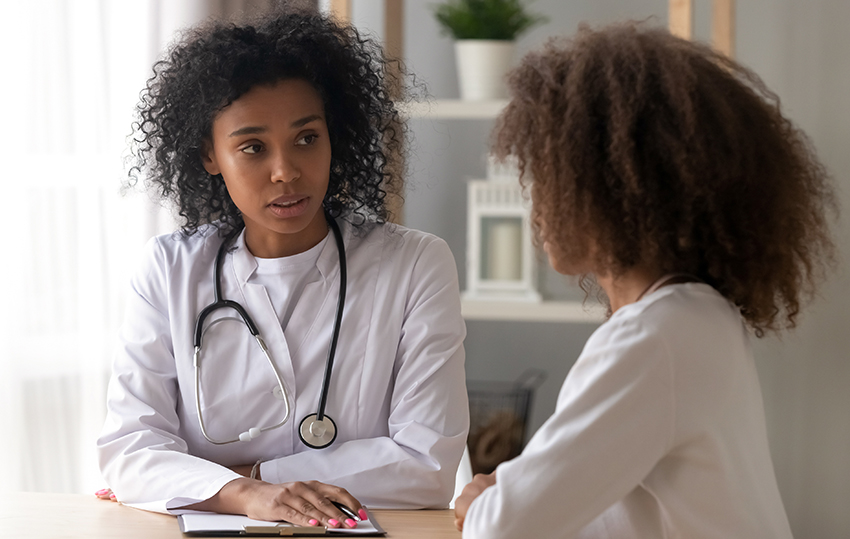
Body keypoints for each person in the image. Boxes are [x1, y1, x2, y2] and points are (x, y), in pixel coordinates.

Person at [454, 23, 835, 538]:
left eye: (553, 179)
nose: (538, 207)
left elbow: (502, 529)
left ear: (623, 189)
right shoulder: (700, 315)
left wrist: (485, 499)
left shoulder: (651, 340)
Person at [96, 8, 469, 529]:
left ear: (334, 137)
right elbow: (130, 452)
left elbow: (427, 467)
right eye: (252, 147)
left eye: (307, 138)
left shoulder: (414, 265)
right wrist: (247, 494)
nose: (286, 171)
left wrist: (240, 480)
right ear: (209, 154)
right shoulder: (169, 270)